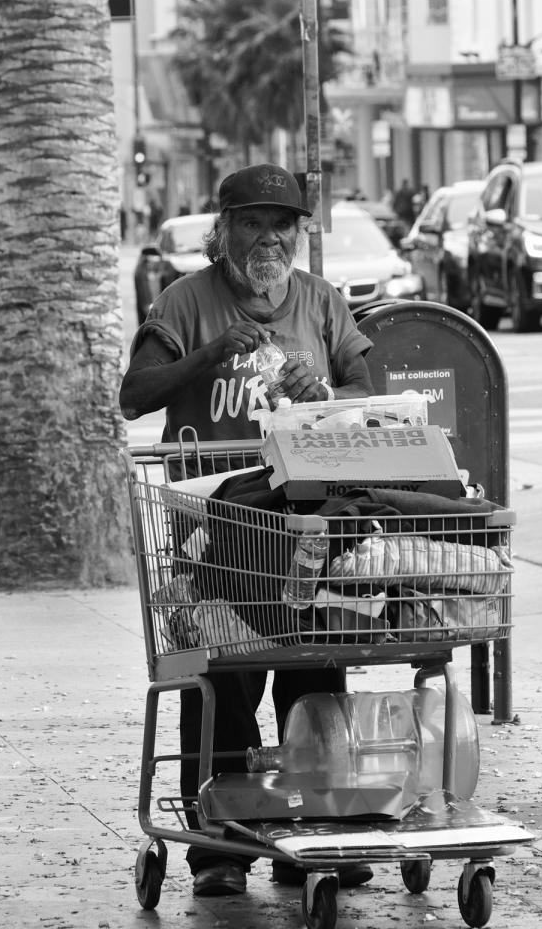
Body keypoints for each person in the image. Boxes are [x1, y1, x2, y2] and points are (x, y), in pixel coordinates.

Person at [118, 163, 376, 898]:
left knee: (314, 678)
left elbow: (365, 392)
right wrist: (208, 354)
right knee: (223, 687)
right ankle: (220, 851)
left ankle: (319, 831)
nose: (269, 238)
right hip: (213, 527)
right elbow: (135, 394)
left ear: (300, 233)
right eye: (254, 223)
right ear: (222, 230)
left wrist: (320, 391)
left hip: (304, 523)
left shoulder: (321, 302)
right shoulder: (184, 301)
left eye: (283, 225)